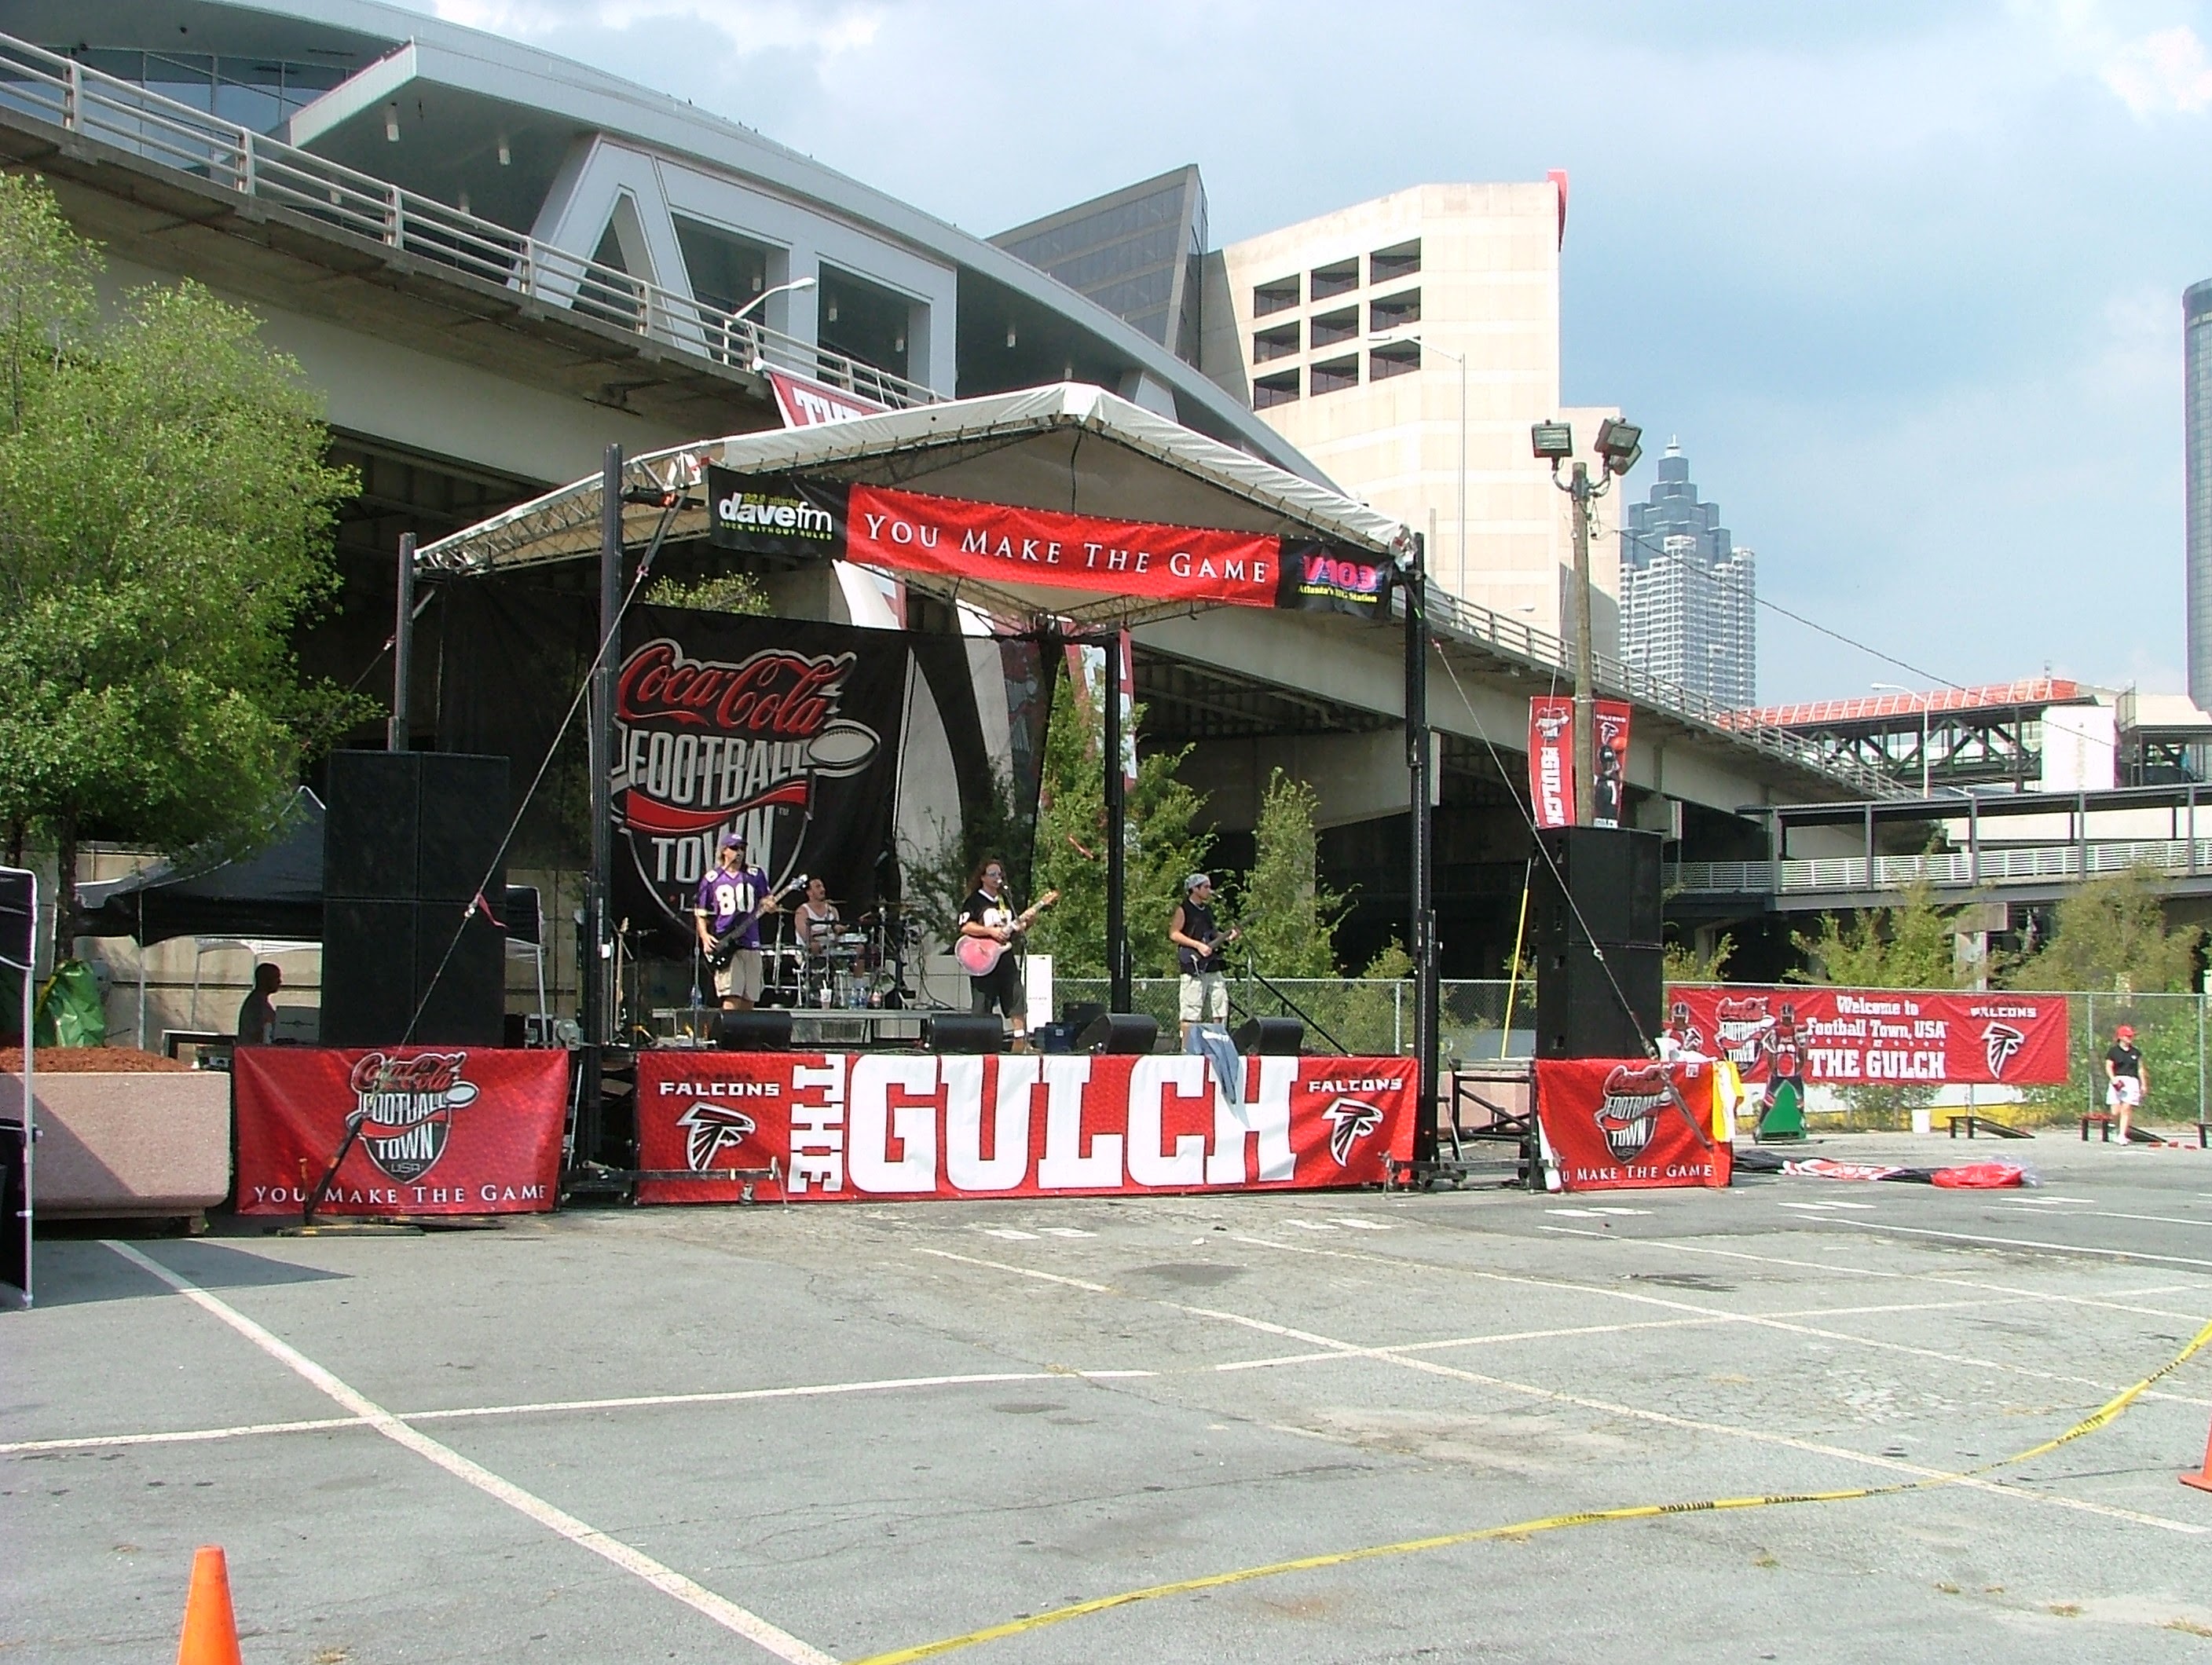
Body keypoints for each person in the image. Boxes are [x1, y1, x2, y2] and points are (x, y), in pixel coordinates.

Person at [694, 833, 778, 1012]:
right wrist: (705, 936)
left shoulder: (754, 874)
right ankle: (728, 1030)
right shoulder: (713, 878)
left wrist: (770, 905)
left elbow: (766, 898)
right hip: (727, 941)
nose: (739, 852)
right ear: (724, 851)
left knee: (750, 999)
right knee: (732, 997)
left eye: (742, 848)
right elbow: (701, 912)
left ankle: (745, 1031)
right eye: (734, 848)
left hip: (751, 941)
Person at [958, 858, 1028, 1048]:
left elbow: (1012, 927)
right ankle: (980, 1042)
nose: (998, 878)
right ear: (982, 877)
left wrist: (1024, 924)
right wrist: (989, 931)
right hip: (983, 956)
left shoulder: (1005, 901)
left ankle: (1020, 1040)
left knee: (1015, 995)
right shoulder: (974, 901)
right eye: (992, 874)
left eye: (1000, 874)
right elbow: (965, 926)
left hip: (1004, 955)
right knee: (983, 1000)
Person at [1169, 873, 1233, 1047]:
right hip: (1193, 963)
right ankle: (1188, 1047)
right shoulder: (1184, 909)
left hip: (1211, 962)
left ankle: (1220, 1043)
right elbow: (1174, 933)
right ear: (1194, 889)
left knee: (1220, 1000)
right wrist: (1197, 946)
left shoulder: (1208, 910)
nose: (1209, 890)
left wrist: (1227, 936)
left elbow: (1212, 934)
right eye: (1205, 887)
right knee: (1191, 1008)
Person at [2105, 1022, 2145, 1141]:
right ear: (2121, 1037)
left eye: (2131, 1036)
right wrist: (2113, 1079)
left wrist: (2143, 1084)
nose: (2130, 1038)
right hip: (2117, 1080)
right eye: (2127, 1036)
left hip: (2132, 1081)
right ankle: (2116, 1130)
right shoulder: (2113, 1051)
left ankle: (2122, 1135)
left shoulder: (2136, 1052)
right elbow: (2109, 1066)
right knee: (2115, 1112)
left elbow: (2140, 1069)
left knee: (2126, 1108)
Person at [794, 876, 841, 957]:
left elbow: (837, 934)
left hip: (832, 952)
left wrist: (839, 929)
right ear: (809, 892)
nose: (823, 889)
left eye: (823, 886)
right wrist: (813, 942)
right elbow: (805, 934)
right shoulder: (803, 911)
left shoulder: (832, 910)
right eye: (818, 887)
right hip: (809, 954)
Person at [236, 962, 280, 1045]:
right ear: (265, 979)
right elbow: (261, 1033)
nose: (279, 981)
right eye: (276, 977)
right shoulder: (257, 1005)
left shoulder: (258, 1001)